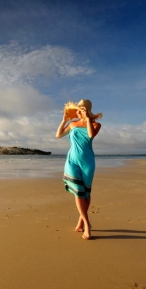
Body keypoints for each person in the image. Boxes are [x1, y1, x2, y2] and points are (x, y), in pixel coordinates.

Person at [55, 99, 102, 240]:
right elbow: (58, 135)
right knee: (78, 192)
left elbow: (90, 135)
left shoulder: (95, 124)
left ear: (87, 111)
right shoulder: (72, 124)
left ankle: (81, 221)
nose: (78, 112)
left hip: (87, 161)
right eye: (78, 110)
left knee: (86, 193)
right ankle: (87, 224)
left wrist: (87, 118)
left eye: (82, 110)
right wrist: (64, 120)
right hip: (72, 161)